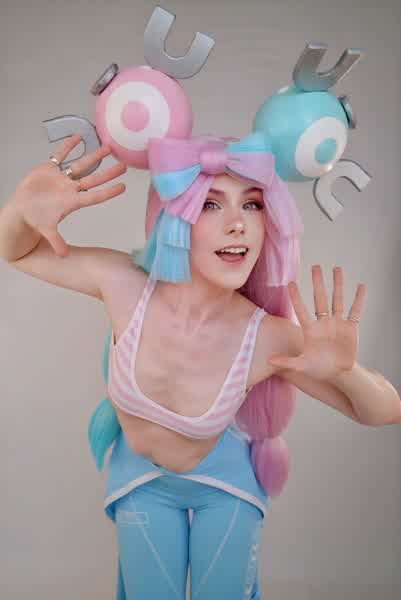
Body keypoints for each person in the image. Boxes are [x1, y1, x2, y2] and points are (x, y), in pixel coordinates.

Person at [1, 133, 400, 600]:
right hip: (141, 477)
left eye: (252, 205)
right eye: (211, 204)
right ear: (176, 218)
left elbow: (384, 411)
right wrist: (20, 210)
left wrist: (344, 372)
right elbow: (18, 251)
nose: (239, 224)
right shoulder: (124, 285)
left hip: (225, 483)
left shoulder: (266, 335)